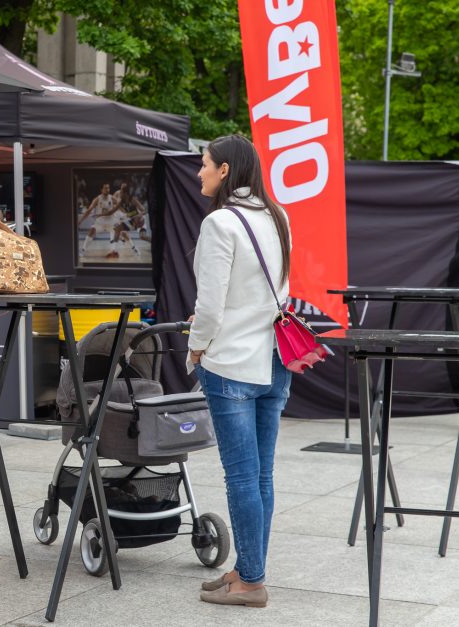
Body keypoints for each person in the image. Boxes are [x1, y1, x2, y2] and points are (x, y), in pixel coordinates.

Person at [188, 134, 292, 609]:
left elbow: (210, 307)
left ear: (226, 170)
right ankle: (247, 567)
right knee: (261, 476)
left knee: (242, 478)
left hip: (231, 361)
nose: (199, 172)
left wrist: (195, 348)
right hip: (274, 357)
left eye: (205, 164)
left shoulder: (220, 223)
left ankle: (251, 581)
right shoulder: (278, 215)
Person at [77, 183, 123, 259]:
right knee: (92, 231)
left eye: (108, 188)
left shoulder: (112, 198)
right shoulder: (97, 199)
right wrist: (80, 221)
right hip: (100, 223)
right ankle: (83, 250)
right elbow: (89, 210)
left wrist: (125, 214)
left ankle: (113, 250)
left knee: (116, 230)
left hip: (110, 222)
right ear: (101, 189)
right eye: (105, 188)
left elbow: (121, 206)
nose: (107, 190)